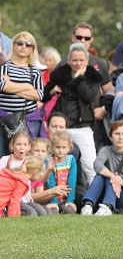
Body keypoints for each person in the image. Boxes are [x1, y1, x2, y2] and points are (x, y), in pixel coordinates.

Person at [43, 44, 102, 184]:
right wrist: (51, 91)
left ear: (87, 60)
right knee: (56, 163)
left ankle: (94, 198)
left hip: (83, 126)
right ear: (69, 60)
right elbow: (43, 96)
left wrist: (79, 78)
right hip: (61, 126)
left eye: (81, 60)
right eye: (75, 60)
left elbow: (88, 97)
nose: (78, 63)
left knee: (90, 165)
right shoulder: (60, 74)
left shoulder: (93, 76)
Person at [80, 120, 123, 216]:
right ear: (111, 137)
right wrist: (113, 176)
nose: (120, 137)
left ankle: (106, 206)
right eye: (117, 134)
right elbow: (97, 164)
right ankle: (88, 205)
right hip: (107, 192)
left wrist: (120, 182)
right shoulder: (105, 150)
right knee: (102, 175)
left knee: (108, 177)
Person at [0, 31, 45, 151]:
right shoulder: (4, 66)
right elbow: (3, 86)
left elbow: (39, 94)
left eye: (28, 44)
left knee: (23, 159)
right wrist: (28, 87)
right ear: (13, 45)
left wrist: (11, 85)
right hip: (2, 119)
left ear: (32, 49)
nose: (23, 47)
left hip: (26, 119)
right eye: (20, 43)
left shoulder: (35, 71)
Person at [45, 131, 77, 213]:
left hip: (66, 197)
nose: (60, 150)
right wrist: (53, 202)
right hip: (52, 197)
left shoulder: (71, 160)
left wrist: (70, 201)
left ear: (69, 148)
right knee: (53, 211)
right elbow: (50, 183)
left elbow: (72, 182)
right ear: (52, 147)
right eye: (58, 147)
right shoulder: (48, 160)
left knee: (70, 211)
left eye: (63, 147)